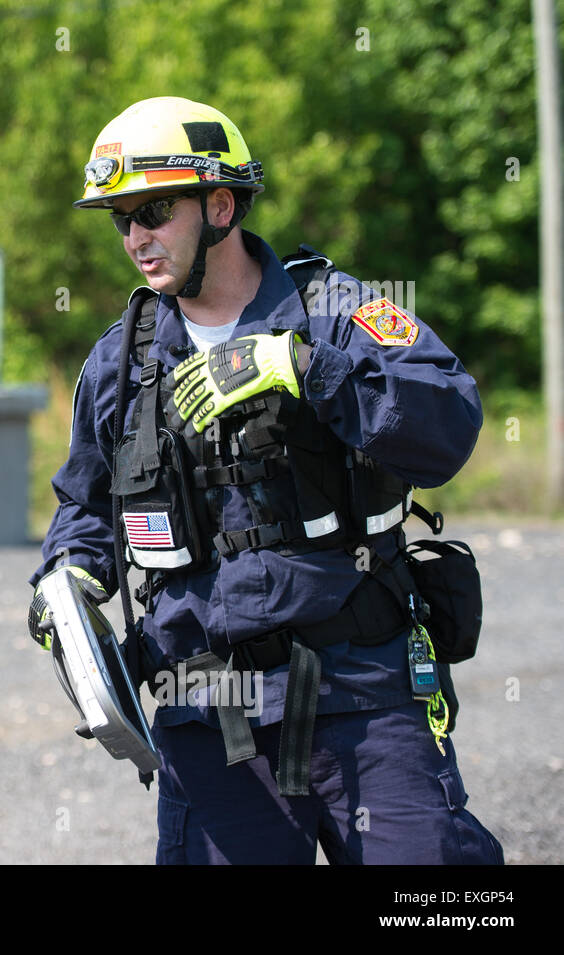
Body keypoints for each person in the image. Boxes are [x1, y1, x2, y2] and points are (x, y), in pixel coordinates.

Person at [29, 96, 503, 864]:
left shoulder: (336, 314)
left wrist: (305, 368)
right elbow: (85, 504)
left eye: (152, 209)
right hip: (209, 718)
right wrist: (70, 578)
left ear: (221, 205)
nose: (136, 237)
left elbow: (449, 424)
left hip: (367, 700)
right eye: (120, 219)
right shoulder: (121, 363)